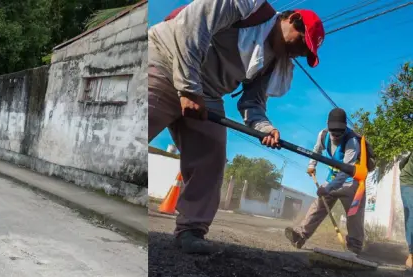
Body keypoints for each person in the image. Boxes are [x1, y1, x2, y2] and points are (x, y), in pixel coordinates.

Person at [148, 0, 325, 254]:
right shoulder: (248, 7)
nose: (298, 53)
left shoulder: (274, 62)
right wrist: (188, 87)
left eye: (305, 53)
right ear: (292, 19)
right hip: (165, 61)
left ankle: (191, 229)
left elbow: (252, 103)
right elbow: (192, 24)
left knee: (211, 157)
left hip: (206, 95)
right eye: (301, 44)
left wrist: (265, 127)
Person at [284, 108, 366, 254]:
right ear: (327, 125)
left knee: (354, 216)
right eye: (333, 131)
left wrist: (328, 188)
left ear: (345, 126)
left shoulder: (352, 141)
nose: (335, 135)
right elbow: (316, 151)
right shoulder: (323, 135)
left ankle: (354, 249)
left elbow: (346, 170)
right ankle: (300, 236)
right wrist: (311, 165)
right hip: (333, 178)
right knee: (318, 206)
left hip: (352, 183)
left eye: (339, 131)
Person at [399, 152, 413, 269]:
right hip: (408, 182)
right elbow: (402, 163)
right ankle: (411, 254)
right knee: (412, 216)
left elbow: (402, 162)